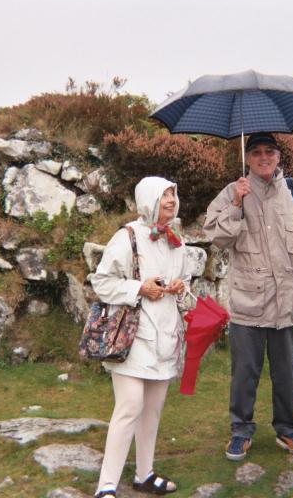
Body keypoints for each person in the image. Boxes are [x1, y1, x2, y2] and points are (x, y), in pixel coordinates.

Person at [204, 132, 293, 461]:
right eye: (257, 152)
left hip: (289, 303)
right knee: (244, 372)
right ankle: (240, 430)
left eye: (270, 152)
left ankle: (287, 428)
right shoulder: (232, 193)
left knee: (286, 370)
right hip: (248, 304)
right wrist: (235, 204)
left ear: (278, 156)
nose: (264, 157)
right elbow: (216, 238)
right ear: (247, 158)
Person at [90, 176, 191, 497]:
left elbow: (186, 285)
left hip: (165, 338)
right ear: (148, 200)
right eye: (164, 196)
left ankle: (144, 475)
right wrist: (139, 288)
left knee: (152, 410)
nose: (171, 201)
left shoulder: (176, 239)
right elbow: (102, 283)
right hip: (132, 339)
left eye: (173, 194)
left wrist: (179, 287)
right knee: (129, 407)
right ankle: (106, 485)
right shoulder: (126, 237)